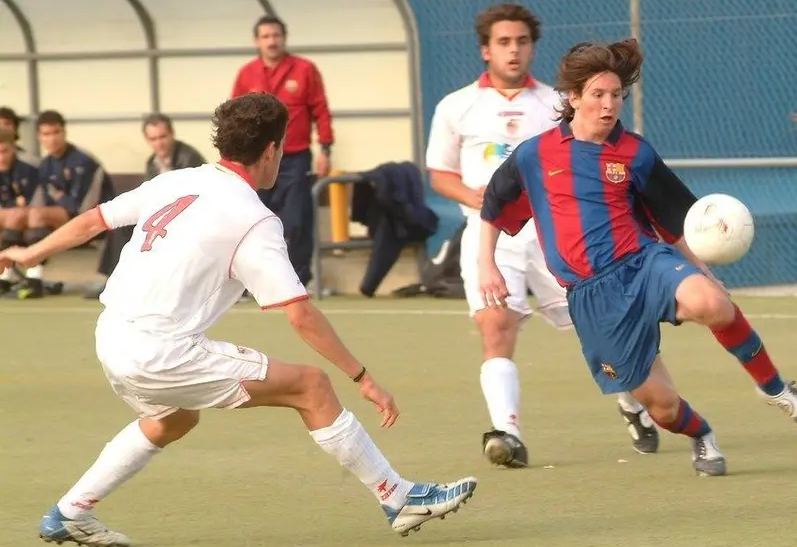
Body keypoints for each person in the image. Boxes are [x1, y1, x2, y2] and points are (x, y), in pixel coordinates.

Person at [0, 93, 477, 546]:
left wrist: (28, 252)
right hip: (161, 350)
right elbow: (300, 314)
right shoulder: (254, 220)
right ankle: (399, 498)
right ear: (273, 150)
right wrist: (364, 377)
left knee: (173, 420)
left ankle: (70, 512)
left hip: (111, 336)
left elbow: (91, 222)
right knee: (312, 386)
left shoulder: (176, 180)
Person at [477, 39, 797, 477]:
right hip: (591, 296)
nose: (609, 106)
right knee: (662, 409)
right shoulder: (535, 154)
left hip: (643, 263)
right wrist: (486, 265)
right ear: (573, 98)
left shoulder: (635, 153)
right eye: (598, 95)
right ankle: (702, 436)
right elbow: (492, 206)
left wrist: (704, 272)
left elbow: (677, 221)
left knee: (713, 304)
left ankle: (776, 390)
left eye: (617, 95)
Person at [425, 2, 658, 467]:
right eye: (503, 43)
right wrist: (483, 199)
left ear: (532, 48)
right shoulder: (457, 105)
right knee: (496, 327)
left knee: (606, 330)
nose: (513, 51)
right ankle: (506, 434)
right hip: (490, 236)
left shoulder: (556, 102)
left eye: (522, 42)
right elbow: (439, 175)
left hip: (561, 234)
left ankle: (632, 403)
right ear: (485, 50)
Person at [232, 15, 333, 288]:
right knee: (253, 221)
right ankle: (253, 282)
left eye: (276, 35)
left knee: (297, 220)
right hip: (255, 159)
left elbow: (321, 109)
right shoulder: (247, 73)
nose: (271, 41)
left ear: (284, 38)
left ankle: (298, 281)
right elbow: (235, 117)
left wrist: (325, 148)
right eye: (265, 36)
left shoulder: (304, 69)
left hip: (295, 158)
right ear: (257, 41)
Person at [88, 113, 208, 299]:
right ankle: (112, 279)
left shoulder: (189, 158)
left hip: (188, 216)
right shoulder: (152, 162)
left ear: (172, 134)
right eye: (153, 139)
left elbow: (193, 196)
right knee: (121, 226)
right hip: (164, 214)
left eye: (162, 137)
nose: (159, 143)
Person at [17, 109, 114, 299]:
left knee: (37, 216)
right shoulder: (45, 165)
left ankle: (34, 279)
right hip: (66, 217)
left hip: (99, 218)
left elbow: (83, 208)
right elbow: (42, 202)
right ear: (39, 137)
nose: (52, 139)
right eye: (46, 134)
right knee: (25, 218)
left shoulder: (84, 161)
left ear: (64, 133)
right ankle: (18, 277)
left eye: (56, 133)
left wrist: (57, 196)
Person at [0, 127, 38, 295]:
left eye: (4, 151)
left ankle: (34, 277)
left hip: (30, 219)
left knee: (32, 227)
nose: (1, 157)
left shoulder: (28, 170)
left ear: (14, 148)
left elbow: (34, 203)